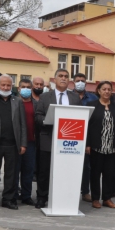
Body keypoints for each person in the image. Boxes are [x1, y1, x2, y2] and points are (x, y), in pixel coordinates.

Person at [34, 68, 82, 208]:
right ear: (55, 79)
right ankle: (42, 197)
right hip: (48, 138)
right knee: (44, 171)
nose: (63, 78)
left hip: (68, 140)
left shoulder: (75, 97)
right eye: (60, 76)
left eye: (66, 76)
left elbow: (79, 116)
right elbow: (38, 116)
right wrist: (50, 120)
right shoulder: (45, 97)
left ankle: (64, 197)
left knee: (65, 170)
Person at [0, 74, 27, 210]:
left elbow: (23, 124)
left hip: (13, 144)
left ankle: (8, 200)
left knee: (11, 174)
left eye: (8, 85)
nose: (6, 87)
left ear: (12, 86)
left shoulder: (18, 102)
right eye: (3, 85)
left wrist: (23, 143)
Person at [87, 81, 115, 208]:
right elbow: (87, 127)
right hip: (96, 146)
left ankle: (107, 198)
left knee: (110, 174)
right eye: (104, 89)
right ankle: (95, 199)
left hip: (112, 146)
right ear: (99, 91)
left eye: (109, 89)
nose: (107, 91)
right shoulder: (91, 105)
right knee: (95, 173)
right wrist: (88, 144)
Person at [73, 73, 97, 202]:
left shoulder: (93, 98)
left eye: (82, 80)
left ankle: (85, 191)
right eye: (78, 80)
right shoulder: (69, 96)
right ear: (73, 82)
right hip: (71, 134)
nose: (80, 83)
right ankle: (70, 190)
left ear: (86, 83)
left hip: (88, 135)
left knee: (87, 166)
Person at [17, 78, 37, 206]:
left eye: (28, 87)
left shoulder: (36, 104)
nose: (26, 89)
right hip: (15, 142)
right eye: (23, 87)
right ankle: (13, 195)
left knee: (28, 171)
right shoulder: (14, 102)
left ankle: (26, 196)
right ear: (18, 89)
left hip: (31, 142)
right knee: (14, 171)